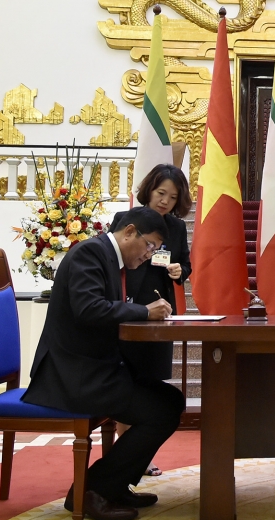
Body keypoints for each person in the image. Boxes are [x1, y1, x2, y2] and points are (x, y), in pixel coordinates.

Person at [23, 207, 184, 520]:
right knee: (161, 409)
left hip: (95, 367)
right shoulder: (91, 254)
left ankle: (114, 485)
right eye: (149, 245)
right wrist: (143, 312)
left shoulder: (109, 258)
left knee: (170, 400)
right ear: (129, 232)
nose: (150, 254)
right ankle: (92, 490)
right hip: (74, 373)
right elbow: (89, 308)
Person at [111, 164, 192, 476]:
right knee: (127, 380)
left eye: (172, 197)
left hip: (161, 308)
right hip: (129, 305)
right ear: (150, 190)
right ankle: (130, 452)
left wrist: (178, 271)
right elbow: (113, 259)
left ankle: (138, 450)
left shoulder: (176, 227)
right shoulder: (125, 220)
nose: (165, 202)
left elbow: (185, 265)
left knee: (153, 380)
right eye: (161, 194)